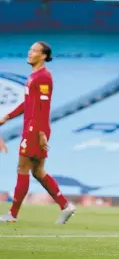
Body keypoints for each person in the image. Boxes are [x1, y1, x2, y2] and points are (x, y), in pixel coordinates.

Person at [0, 41, 76, 224]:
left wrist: (41, 134)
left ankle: (13, 214)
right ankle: (66, 206)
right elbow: (28, 104)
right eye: (30, 49)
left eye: (34, 50)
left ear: (43, 56)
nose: (30, 53)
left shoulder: (43, 78)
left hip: (35, 130)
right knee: (38, 171)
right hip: (33, 128)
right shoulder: (33, 76)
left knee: (23, 168)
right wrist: (8, 116)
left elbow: (43, 108)